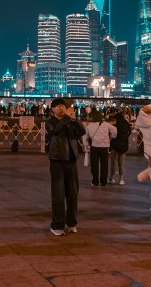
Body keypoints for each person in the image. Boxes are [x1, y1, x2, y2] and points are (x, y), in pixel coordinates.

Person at [44, 98, 86, 236]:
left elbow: (82, 132)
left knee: (73, 194)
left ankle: (71, 223)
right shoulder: (50, 122)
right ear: (52, 109)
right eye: (58, 106)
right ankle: (57, 225)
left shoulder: (69, 121)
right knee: (58, 195)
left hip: (71, 160)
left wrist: (75, 120)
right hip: (57, 161)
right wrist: (67, 118)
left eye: (63, 106)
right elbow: (55, 130)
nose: (62, 108)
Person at [84, 111, 116, 187]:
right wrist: (111, 137)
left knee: (94, 165)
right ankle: (103, 182)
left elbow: (84, 137)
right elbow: (114, 130)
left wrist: (87, 145)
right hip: (104, 147)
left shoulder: (89, 125)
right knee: (104, 165)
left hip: (94, 147)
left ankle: (95, 181)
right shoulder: (106, 124)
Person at [108, 111, 131, 185]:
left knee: (113, 163)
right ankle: (121, 179)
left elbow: (112, 136)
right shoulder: (127, 126)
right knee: (121, 163)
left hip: (115, 147)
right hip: (123, 147)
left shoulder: (115, 126)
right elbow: (128, 135)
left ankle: (111, 178)